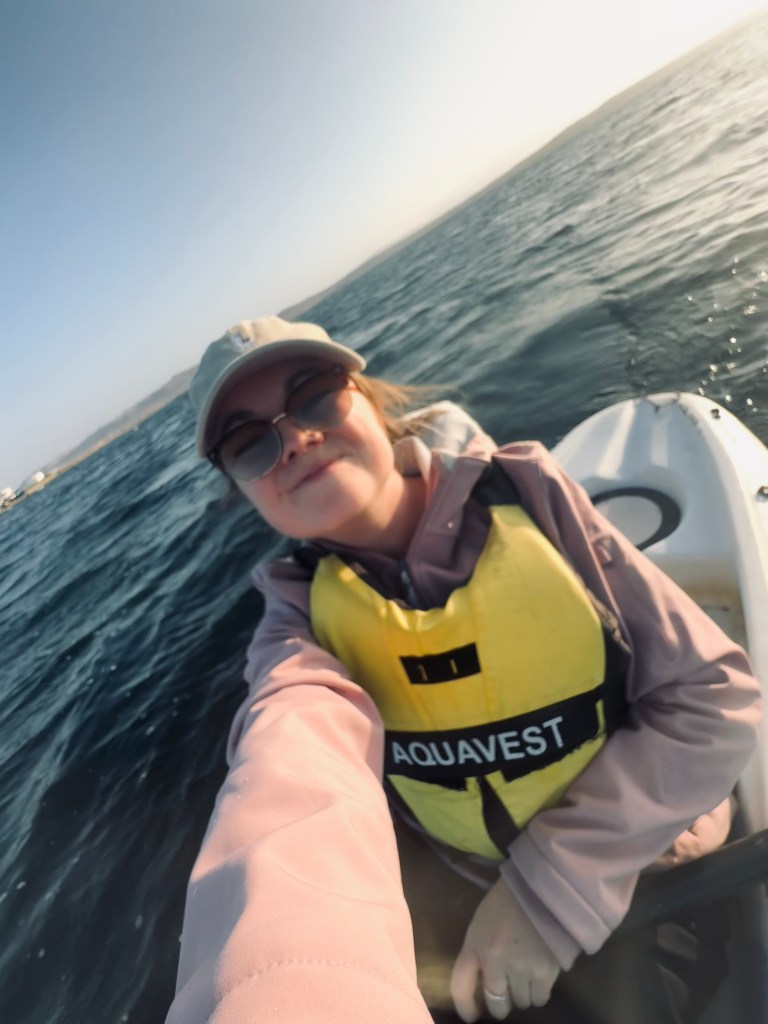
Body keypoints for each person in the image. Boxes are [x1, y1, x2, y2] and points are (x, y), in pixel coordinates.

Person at [166, 316, 761, 1024]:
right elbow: (286, 774)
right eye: (249, 442)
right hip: (484, 903)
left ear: (368, 399)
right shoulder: (296, 626)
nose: (293, 438)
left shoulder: (532, 499)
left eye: (315, 396)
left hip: (655, 867)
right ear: (242, 487)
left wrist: (548, 889)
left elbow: (715, 702)